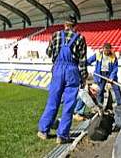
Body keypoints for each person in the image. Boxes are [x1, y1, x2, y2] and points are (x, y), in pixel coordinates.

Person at [37, 14, 88, 144]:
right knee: (69, 105)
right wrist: (83, 77)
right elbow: (82, 61)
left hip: (58, 69)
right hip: (72, 70)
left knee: (53, 101)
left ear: (64, 24)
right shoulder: (81, 38)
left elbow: (49, 52)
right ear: (75, 25)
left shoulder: (56, 35)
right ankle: (62, 135)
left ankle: (43, 131)